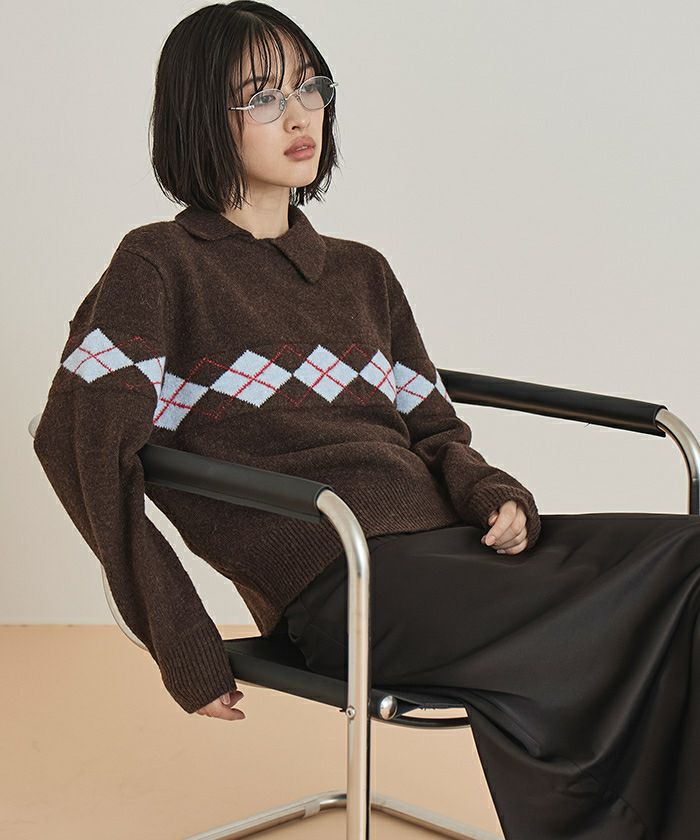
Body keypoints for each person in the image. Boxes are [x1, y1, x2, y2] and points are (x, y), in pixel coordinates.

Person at [32, 3, 700, 838]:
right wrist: (179, 633)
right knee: (640, 620)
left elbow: (434, 427)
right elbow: (76, 443)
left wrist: (489, 490)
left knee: (688, 559)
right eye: (263, 96)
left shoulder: (361, 273)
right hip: (345, 582)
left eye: (310, 87)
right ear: (199, 115)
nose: (300, 114)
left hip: (453, 552)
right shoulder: (159, 266)